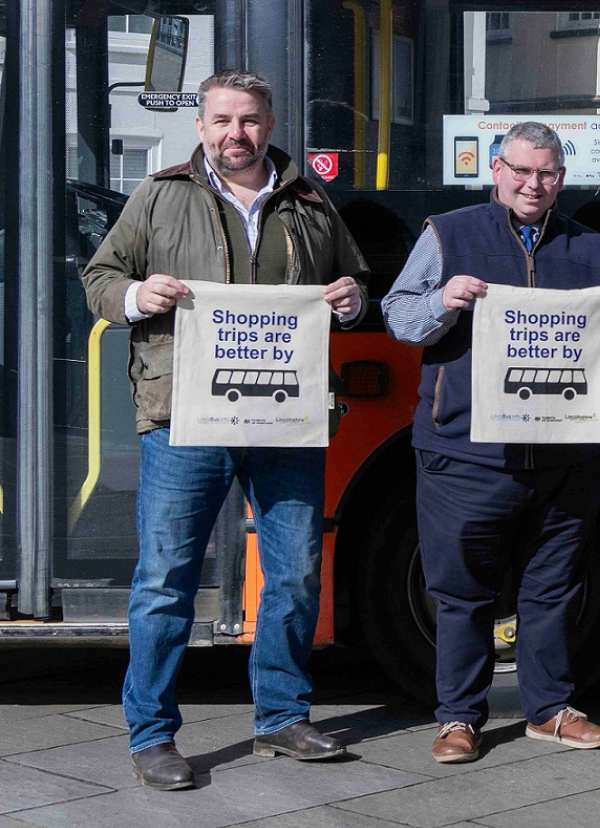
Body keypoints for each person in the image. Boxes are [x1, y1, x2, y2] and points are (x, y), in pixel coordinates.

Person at [81, 70, 369, 790]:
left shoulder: (307, 199)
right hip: (184, 416)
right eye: (220, 121)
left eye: (248, 121)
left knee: (297, 572)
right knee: (166, 579)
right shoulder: (159, 195)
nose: (234, 134)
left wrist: (353, 298)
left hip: (286, 418)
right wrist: (137, 295)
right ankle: (152, 735)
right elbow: (100, 278)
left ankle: (281, 718)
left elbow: (353, 282)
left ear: (269, 126)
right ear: (200, 126)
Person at [382, 121, 600, 765]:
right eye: (522, 171)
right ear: (496, 170)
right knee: (461, 590)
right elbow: (398, 315)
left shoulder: (591, 247)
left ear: (562, 177)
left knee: (553, 586)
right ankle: (458, 719)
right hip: (466, 449)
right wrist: (444, 300)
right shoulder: (448, 232)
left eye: (548, 173)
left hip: (565, 452)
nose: (534, 185)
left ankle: (551, 710)